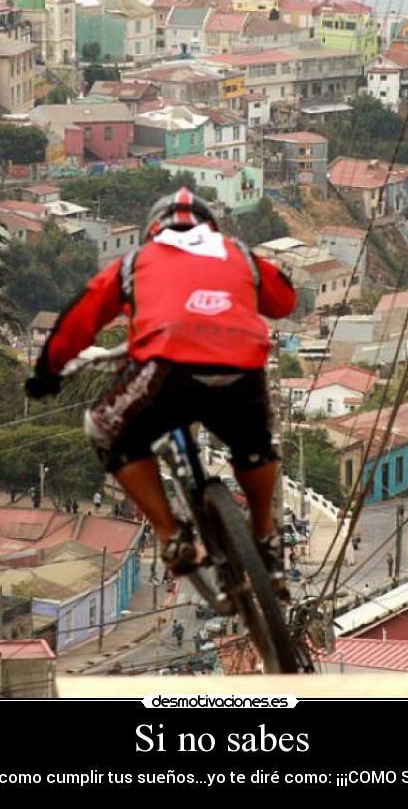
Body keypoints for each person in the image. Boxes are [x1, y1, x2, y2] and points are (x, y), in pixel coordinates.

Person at [25, 186, 296, 591]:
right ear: (211, 226)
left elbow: (79, 319)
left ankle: (172, 537)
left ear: (152, 230)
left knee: (105, 428)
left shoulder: (136, 262)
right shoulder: (237, 252)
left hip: (169, 366)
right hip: (241, 365)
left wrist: (48, 372)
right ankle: (265, 537)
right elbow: (284, 302)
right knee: (254, 448)